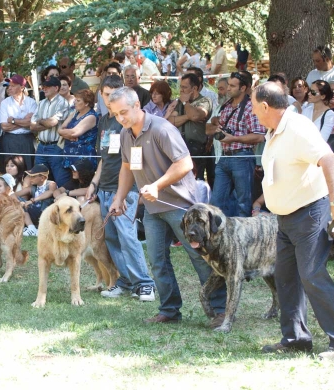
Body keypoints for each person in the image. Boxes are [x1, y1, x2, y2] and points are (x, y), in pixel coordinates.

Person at [254, 82, 334, 361]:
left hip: (310, 212)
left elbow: (329, 159)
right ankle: (295, 339)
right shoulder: (274, 131)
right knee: (286, 277)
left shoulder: (298, 127)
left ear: (265, 106)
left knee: (312, 274)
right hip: (286, 217)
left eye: (254, 107)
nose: (253, 112)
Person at [108, 86, 225, 323]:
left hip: (181, 208)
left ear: (136, 106)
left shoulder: (162, 128)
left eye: (123, 112)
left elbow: (185, 164)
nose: (120, 118)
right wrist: (118, 197)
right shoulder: (125, 134)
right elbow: (127, 167)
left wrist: (157, 186)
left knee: (199, 258)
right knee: (157, 260)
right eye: (115, 114)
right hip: (153, 209)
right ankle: (169, 310)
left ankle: (221, 309)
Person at [84, 75, 156, 301]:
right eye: (105, 94)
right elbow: (104, 158)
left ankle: (145, 284)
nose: (109, 99)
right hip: (104, 187)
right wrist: (94, 183)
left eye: (113, 94)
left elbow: (135, 160)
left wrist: (125, 192)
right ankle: (124, 280)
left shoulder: (128, 120)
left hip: (124, 189)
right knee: (112, 238)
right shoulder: (105, 121)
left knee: (127, 236)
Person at [208, 70, 265, 217]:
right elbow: (214, 126)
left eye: (233, 86)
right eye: (228, 85)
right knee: (216, 202)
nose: (228, 89)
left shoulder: (250, 107)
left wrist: (234, 139)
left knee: (243, 203)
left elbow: (259, 136)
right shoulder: (226, 106)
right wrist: (216, 124)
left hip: (242, 157)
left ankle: (245, 238)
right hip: (224, 157)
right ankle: (220, 236)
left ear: (243, 88)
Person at [166, 73, 212, 185]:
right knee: (180, 182)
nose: (181, 90)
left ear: (194, 88)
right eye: (181, 86)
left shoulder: (204, 101)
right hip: (179, 146)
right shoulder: (179, 102)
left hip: (196, 147)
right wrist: (188, 116)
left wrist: (186, 103)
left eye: (185, 87)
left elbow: (196, 116)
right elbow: (171, 121)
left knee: (196, 182)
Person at [30, 76, 70, 186]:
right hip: (41, 146)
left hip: (55, 147)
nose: (44, 88)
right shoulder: (41, 103)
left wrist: (41, 120)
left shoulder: (62, 103)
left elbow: (52, 122)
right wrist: (46, 122)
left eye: (47, 86)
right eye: (43, 86)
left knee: (60, 179)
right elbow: (32, 126)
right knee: (37, 179)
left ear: (56, 88)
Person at [0, 74, 37, 171]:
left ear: (22, 87)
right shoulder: (5, 103)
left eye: (13, 86)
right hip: (10, 140)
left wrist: (13, 120)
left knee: (28, 169)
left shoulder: (31, 102)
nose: (9, 88)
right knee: (11, 170)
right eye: (9, 86)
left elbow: (31, 123)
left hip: (27, 140)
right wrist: (24, 121)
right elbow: (4, 126)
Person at [59, 88, 98, 170]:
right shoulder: (75, 113)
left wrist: (66, 134)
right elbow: (60, 128)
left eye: (78, 100)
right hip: (68, 157)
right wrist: (67, 135)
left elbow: (74, 133)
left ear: (86, 103)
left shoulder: (91, 116)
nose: (75, 102)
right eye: (75, 100)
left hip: (83, 160)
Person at [15, 164, 57, 237]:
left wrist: (32, 200)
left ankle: (40, 228)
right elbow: (14, 195)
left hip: (47, 214)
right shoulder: (32, 188)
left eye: (33, 176)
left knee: (46, 200)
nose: (30, 178)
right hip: (35, 213)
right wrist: (20, 202)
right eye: (30, 176)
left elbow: (50, 192)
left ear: (42, 178)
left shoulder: (51, 184)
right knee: (19, 201)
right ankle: (32, 228)